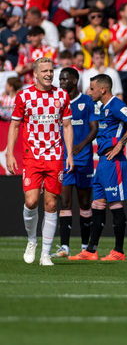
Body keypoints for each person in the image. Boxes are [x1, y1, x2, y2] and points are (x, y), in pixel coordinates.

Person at [6, 57, 74, 266]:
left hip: (55, 157)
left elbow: (67, 125)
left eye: (51, 70)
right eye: (44, 70)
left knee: (52, 204)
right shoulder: (24, 96)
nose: (48, 74)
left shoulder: (61, 95)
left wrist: (69, 154)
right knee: (31, 201)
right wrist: (10, 153)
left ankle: (45, 253)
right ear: (34, 73)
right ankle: (32, 241)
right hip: (32, 156)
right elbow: (15, 126)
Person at [69, 73, 127, 261]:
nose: (89, 91)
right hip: (102, 161)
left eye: (92, 88)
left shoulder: (116, 104)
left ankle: (118, 251)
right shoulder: (100, 107)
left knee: (115, 204)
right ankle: (91, 251)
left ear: (103, 89)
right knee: (97, 205)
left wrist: (120, 144)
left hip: (113, 160)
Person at [50, 68, 98, 258]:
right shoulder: (56, 100)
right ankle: (65, 247)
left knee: (85, 203)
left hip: (84, 157)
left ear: (75, 80)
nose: (61, 81)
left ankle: (86, 246)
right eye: (59, 79)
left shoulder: (87, 101)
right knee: (65, 201)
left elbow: (94, 128)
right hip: (63, 158)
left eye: (64, 78)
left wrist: (82, 145)